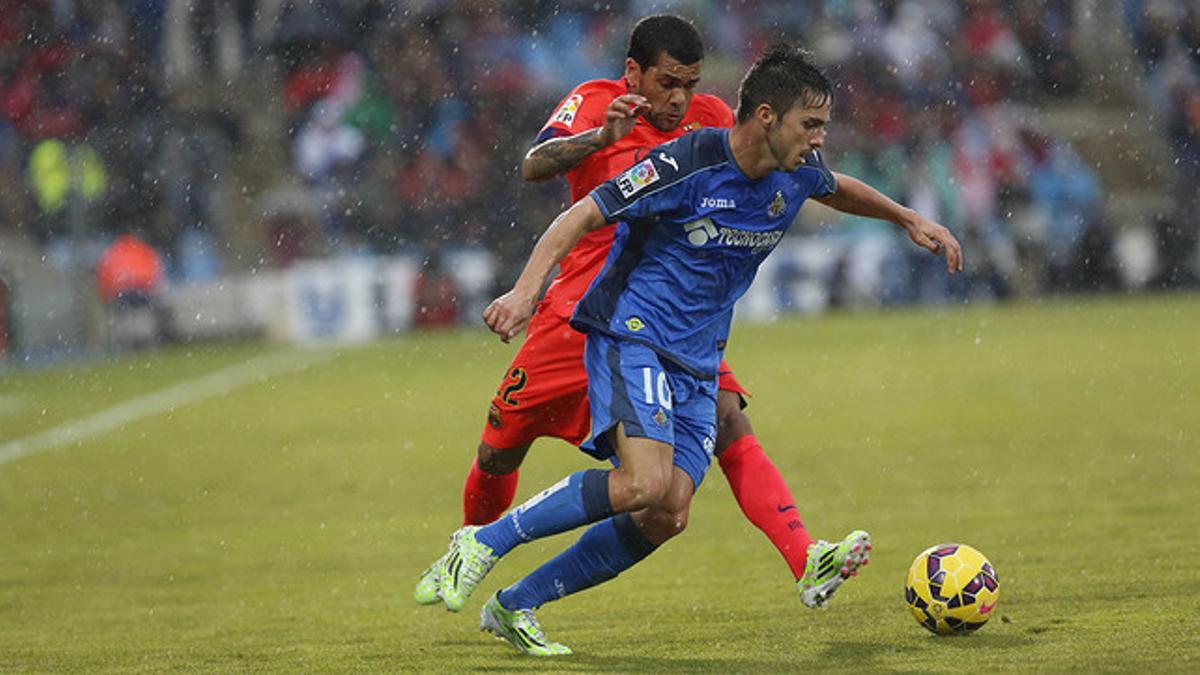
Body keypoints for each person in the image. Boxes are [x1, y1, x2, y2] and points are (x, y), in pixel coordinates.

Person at [423, 44, 963, 655]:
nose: (818, 140)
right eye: (810, 125)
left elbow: (837, 188)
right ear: (765, 116)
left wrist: (907, 218)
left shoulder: (794, 174)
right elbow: (580, 216)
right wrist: (525, 293)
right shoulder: (685, 164)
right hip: (633, 334)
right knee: (640, 484)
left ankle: (515, 603)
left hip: (697, 360)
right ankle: (486, 540)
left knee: (668, 513)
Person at [416, 14, 848, 612]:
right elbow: (534, 164)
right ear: (632, 75)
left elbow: (763, 167)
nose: (679, 100)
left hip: (669, 315)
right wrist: (597, 140)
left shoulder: (715, 120)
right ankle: (467, 551)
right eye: (667, 83)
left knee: (705, 452)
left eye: (689, 85)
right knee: (499, 449)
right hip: (577, 311)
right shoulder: (595, 102)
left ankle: (805, 557)